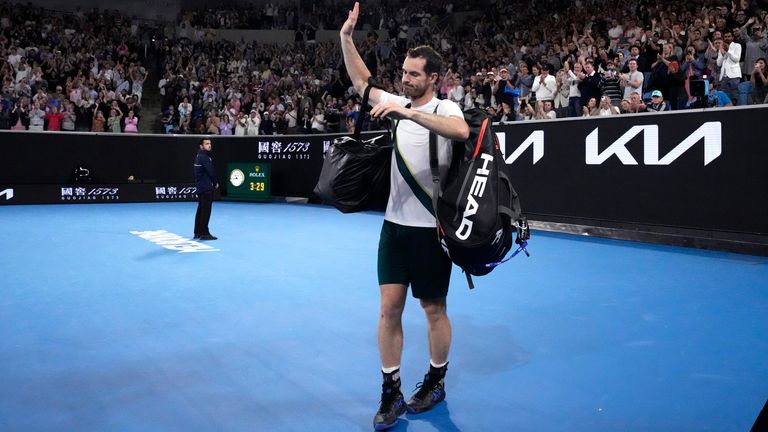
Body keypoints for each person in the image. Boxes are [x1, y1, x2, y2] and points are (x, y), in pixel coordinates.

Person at [340, 3, 469, 430]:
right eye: (405, 72)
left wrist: (408, 113)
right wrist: (346, 38)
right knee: (388, 310)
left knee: (434, 310)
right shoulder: (396, 99)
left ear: (434, 78)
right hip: (393, 229)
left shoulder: (446, 110)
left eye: (414, 74)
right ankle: (391, 391)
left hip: (431, 232)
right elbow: (361, 81)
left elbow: (462, 133)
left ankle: (436, 379)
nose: (405, 78)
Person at [193, 138, 218, 240]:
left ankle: (197, 232)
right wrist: (215, 182)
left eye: (210, 143)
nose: (209, 145)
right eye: (207, 144)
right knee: (205, 211)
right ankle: (204, 233)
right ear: (201, 146)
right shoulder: (204, 157)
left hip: (201, 187)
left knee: (201, 210)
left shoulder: (199, 156)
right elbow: (210, 171)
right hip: (206, 188)